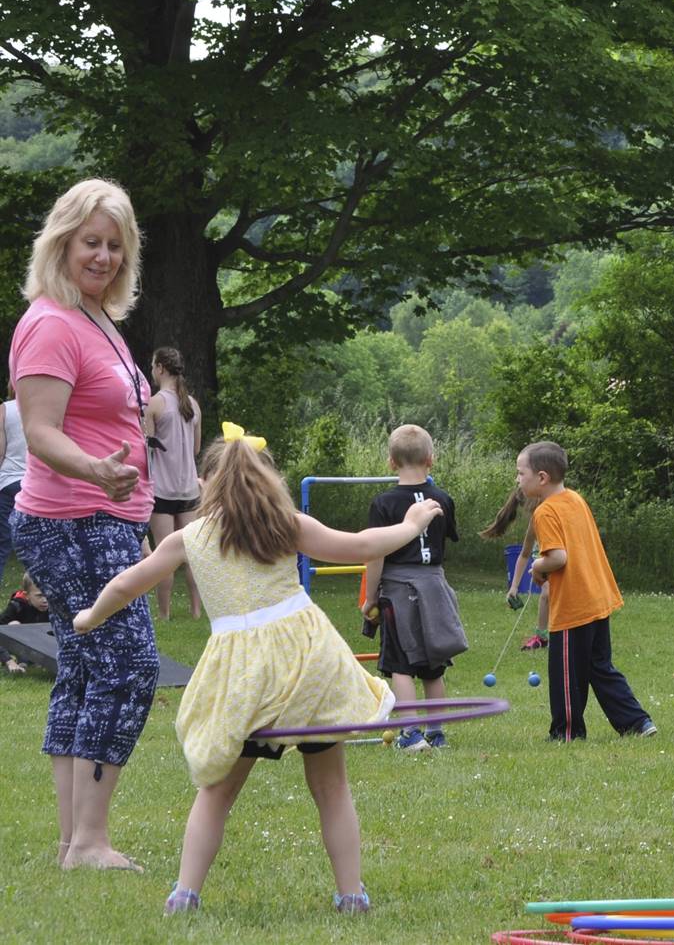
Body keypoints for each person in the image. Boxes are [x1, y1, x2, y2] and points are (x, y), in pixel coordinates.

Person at [72, 427, 444, 914]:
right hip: (307, 667)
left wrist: (88, 617)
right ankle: (351, 894)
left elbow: (128, 584)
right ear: (266, 480)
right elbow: (360, 546)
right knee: (331, 786)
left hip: (242, 677)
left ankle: (185, 894)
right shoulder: (284, 524)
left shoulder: (190, 537)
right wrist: (412, 523)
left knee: (216, 792)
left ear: (208, 485)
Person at [7, 177, 155, 871]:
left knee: (86, 666)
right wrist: (98, 470)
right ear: (61, 241)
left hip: (104, 516)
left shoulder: (98, 318)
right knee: (128, 665)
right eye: (89, 242)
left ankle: (75, 842)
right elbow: (39, 431)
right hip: (75, 518)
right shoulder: (50, 321)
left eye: (113, 246)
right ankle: (90, 841)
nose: (101, 256)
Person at [501, 441, 655, 740]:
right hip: (598, 597)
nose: (517, 479)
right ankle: (638, 723)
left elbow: (558, 557)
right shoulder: (575, 499)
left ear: (542, 477)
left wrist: (536, 567)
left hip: (574, 606)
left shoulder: (545, 513)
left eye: (521, 473)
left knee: (566, 676)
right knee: (600, 667)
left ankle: (566, 733)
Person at [359, 424, 466, 750]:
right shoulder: (442, 499)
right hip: (434, 586)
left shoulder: (384, 503)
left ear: (391, 462)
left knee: (401, 665)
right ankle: (437, 734)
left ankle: (411, 734)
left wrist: (371, 596)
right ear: (431, 459)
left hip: (396, 589)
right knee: (433, 666)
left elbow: (375, 554)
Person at [142, 346, 203, 619]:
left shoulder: (155, 403)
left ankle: (164, 614)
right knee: (192, 553)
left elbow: (146, 448)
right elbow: (196, 448)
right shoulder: (193, 404)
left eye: (154, 366)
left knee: (164, 554)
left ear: (161, 369)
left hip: (162, 490)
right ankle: (196, 611)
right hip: (189, 488)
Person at [482, 488, 548, 650]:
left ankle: (552, 634)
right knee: (547, 592)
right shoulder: (536, 521)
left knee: (551, 593)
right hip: (544, 561)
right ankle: (541, 637)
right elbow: (524, 555)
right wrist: (514, 587)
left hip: (558, 560)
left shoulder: (551, 515)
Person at [2, 574, 52, 674]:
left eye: (47, 594)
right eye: (39, 596)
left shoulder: (54, 606)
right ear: (26, 595)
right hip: (19, 644)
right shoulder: (16, 606)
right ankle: (21, 661)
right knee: (14, 625)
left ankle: (38, 661)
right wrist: (8, 661)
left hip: (41, 644)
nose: (45, 600)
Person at [1, 392, 26, 589]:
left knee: (2, 545)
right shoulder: (55, 405)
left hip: (9, 482)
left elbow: (1, 452)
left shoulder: (5, 409)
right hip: (39, 483)